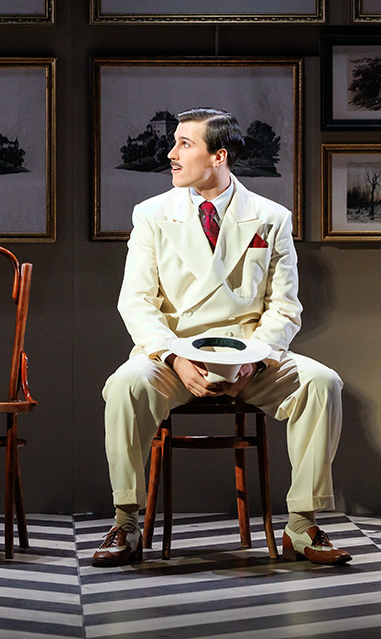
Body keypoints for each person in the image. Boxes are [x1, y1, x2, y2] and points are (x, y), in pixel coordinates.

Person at [92, 108, 351, 566]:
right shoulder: (152, 215)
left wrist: (254, 360)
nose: (171, 154)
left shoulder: (271, 217)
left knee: (322, 382)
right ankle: (126, 522)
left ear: (219, 156)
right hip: (175, 358)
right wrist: (174, 359)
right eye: (174, 142)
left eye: (184, 144)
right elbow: (136, 303)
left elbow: (285, 308)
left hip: (251, 360)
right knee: (125, 385)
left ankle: (302, 523)